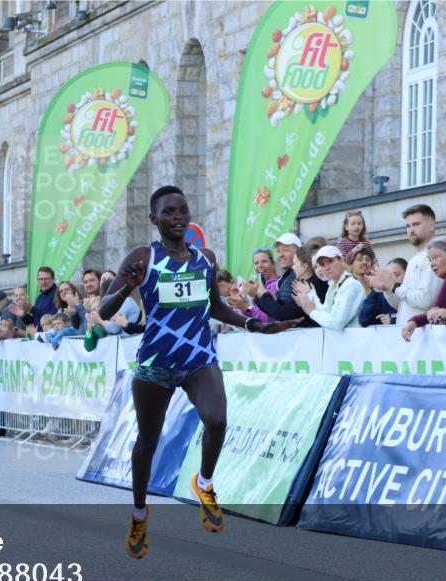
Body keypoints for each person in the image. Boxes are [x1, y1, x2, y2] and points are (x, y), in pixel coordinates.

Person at [100, 185, 299, 559]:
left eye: (183, 211)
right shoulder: (144, 256)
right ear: (154, 219)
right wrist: (127, 284)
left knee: (218, 419)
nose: (177, 218)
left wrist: (253, 325)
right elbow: (107, 311)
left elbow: (216, 308)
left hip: (198, 357)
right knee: (147, 443)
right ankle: (139, 512)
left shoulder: (204, 258)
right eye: (169, 213)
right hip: (157, 363)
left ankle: (204, 482)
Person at [369, 204, 442, 323]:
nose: (411, 230)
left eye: (416, 224)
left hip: (423, 334)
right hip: (409, 334)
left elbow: (426, 300)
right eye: (408, 226)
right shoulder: (414, 259)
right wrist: (387, 288)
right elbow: (401, 304)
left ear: (431, 225)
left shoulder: (435, 256)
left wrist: (394, 286)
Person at [401, 237, 446, 341]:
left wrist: (414, 321)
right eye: (430, 259)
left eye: (436, 258)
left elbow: (437, 312)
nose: (431, 264)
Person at [292, 246, 366, 330]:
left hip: (356, 340)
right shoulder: (334, 286)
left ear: (341, 260)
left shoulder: (351, 284)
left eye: (330, 261)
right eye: (322, 264)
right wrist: (308, 298)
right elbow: (326, 313)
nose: (326, 268)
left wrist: (311, 312)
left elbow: (336, 323)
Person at [359, 259, 405, 327]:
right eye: (387, 276)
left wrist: (393, 320)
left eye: (396, 274)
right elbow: (364, 320)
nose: (391, 279)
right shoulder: (382, 294)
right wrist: (375, 291)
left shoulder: (411, 293)